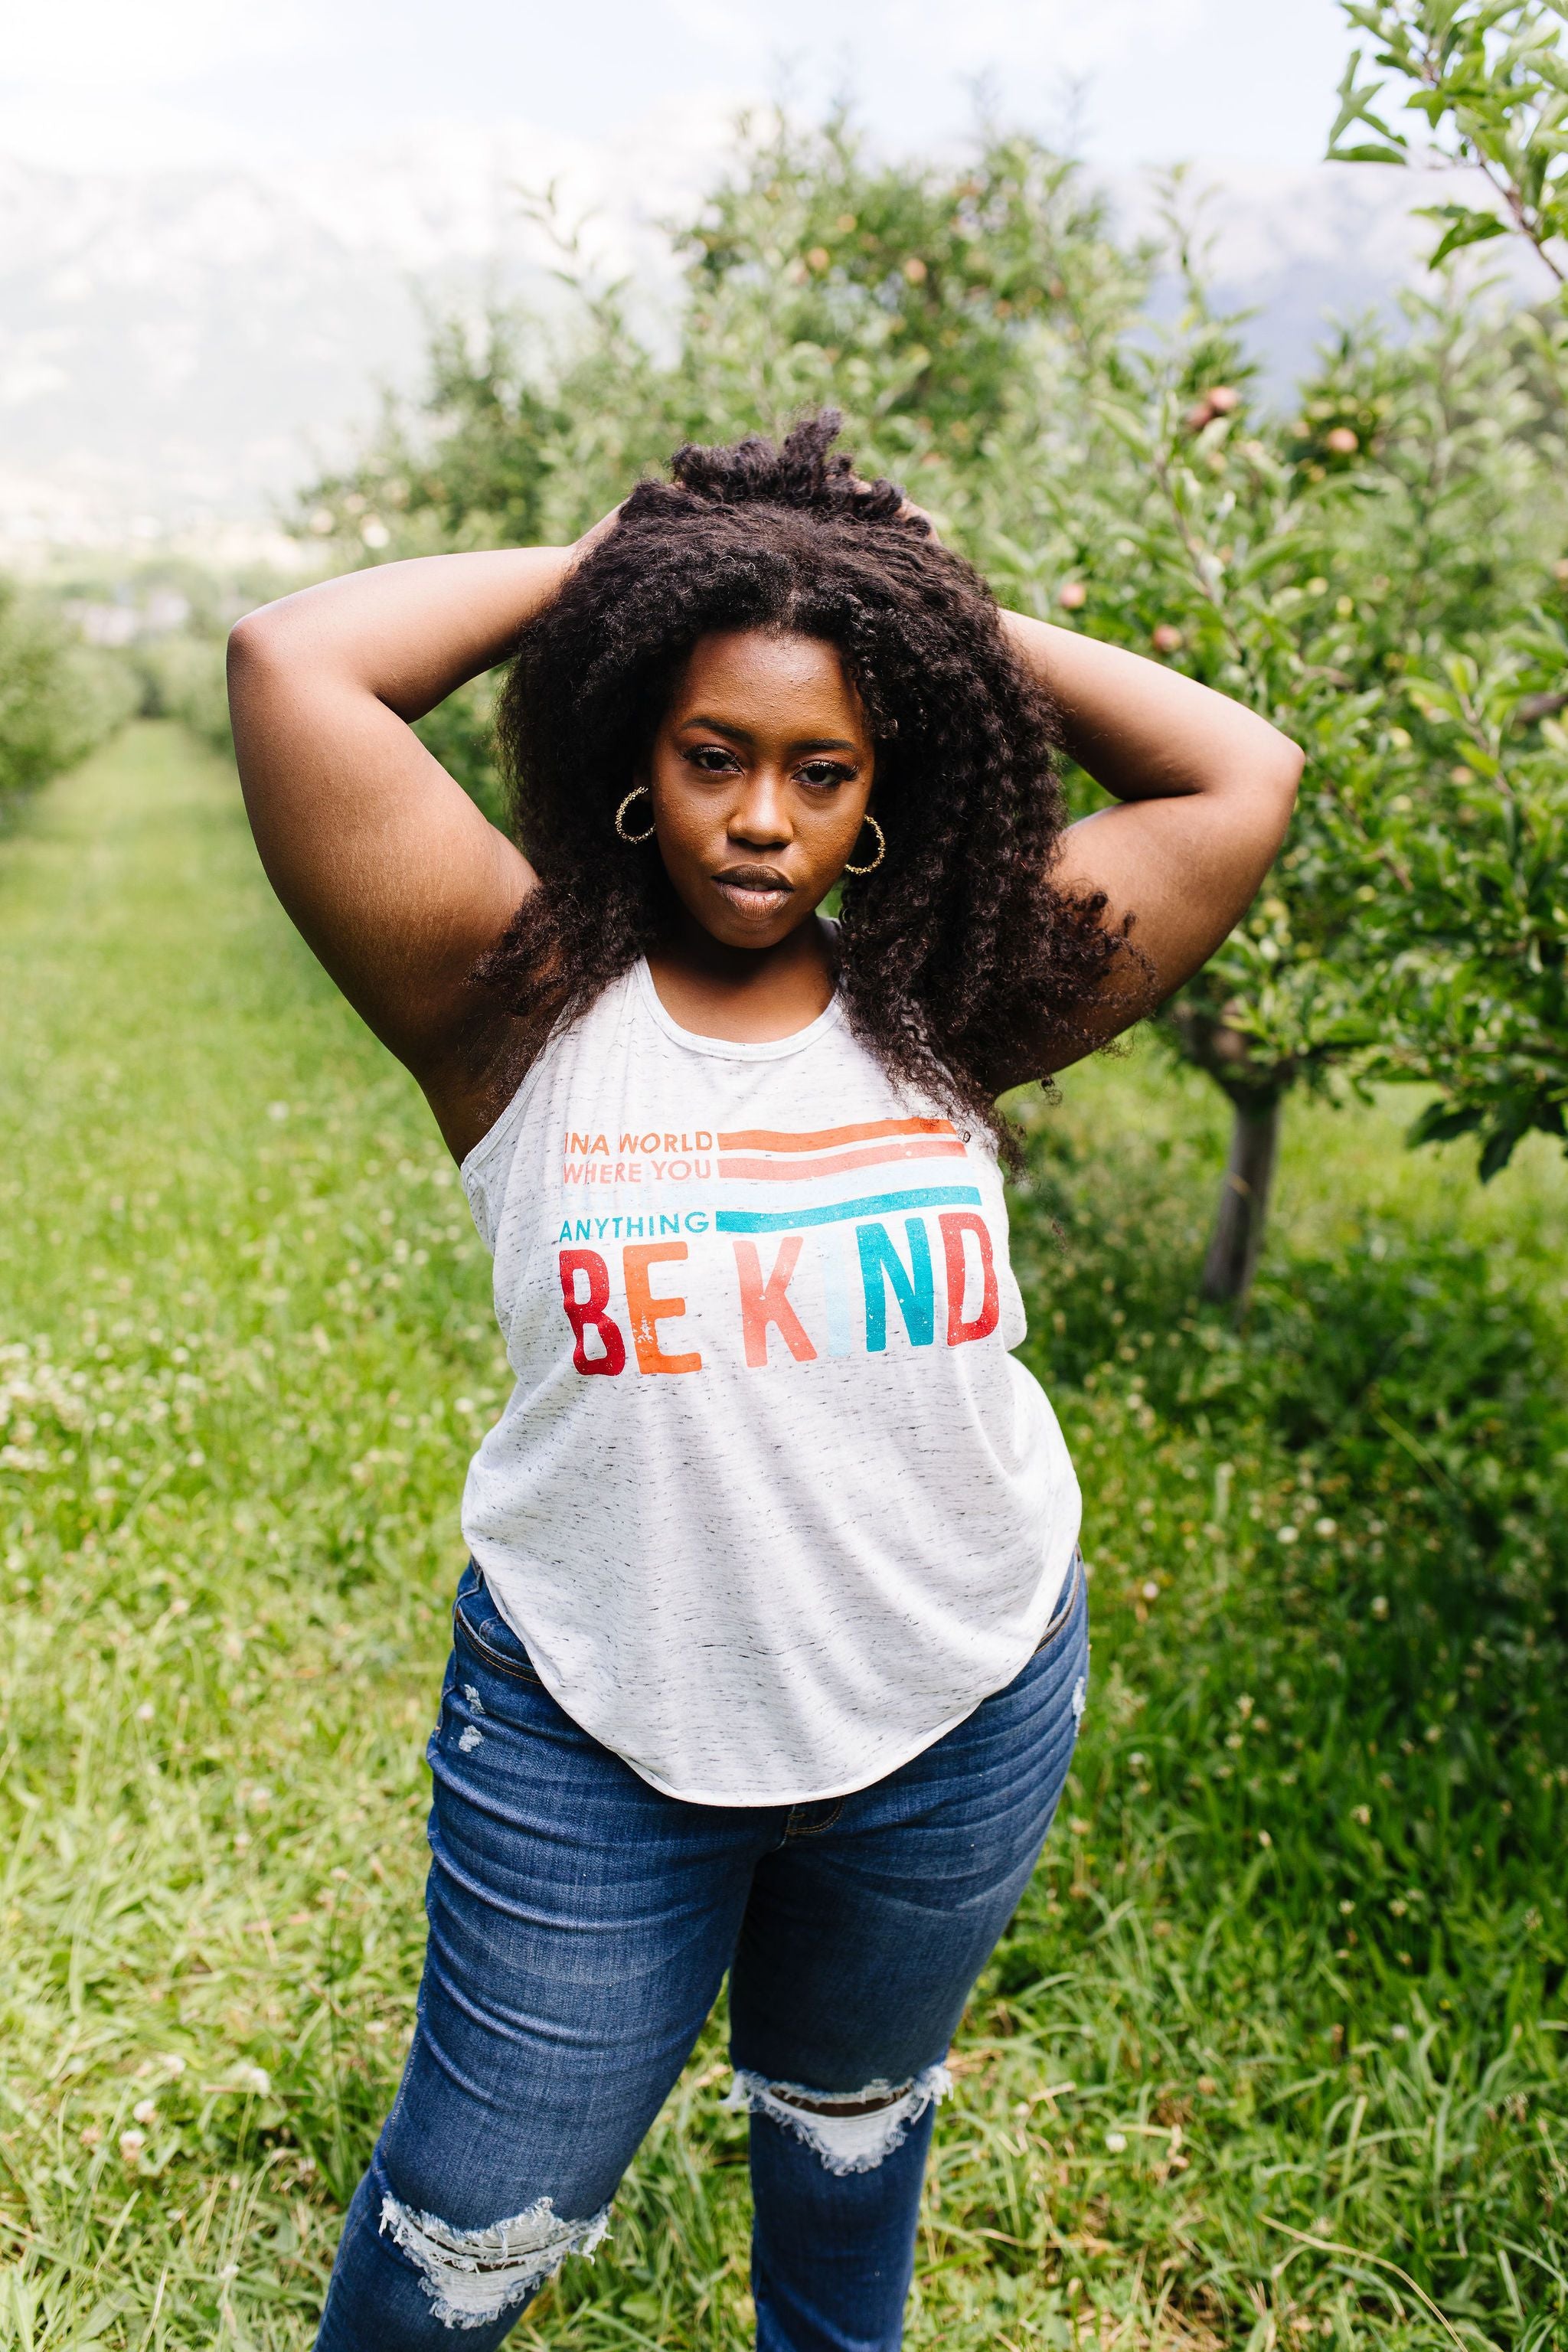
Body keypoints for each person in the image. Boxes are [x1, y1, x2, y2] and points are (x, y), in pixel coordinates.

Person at [228, 415, 1300, 2350]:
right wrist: (674, 567)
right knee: (471, 2225)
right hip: (595, 1730)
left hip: (956, 1702)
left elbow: (1240, 772)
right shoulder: (512, 998)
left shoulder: (947, 1006)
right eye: (712, 753)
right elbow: (296, 662)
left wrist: (905, 605)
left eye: (821, 771)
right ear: (639, 750)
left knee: (846, 2140)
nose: (759, 818)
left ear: (882, 791)